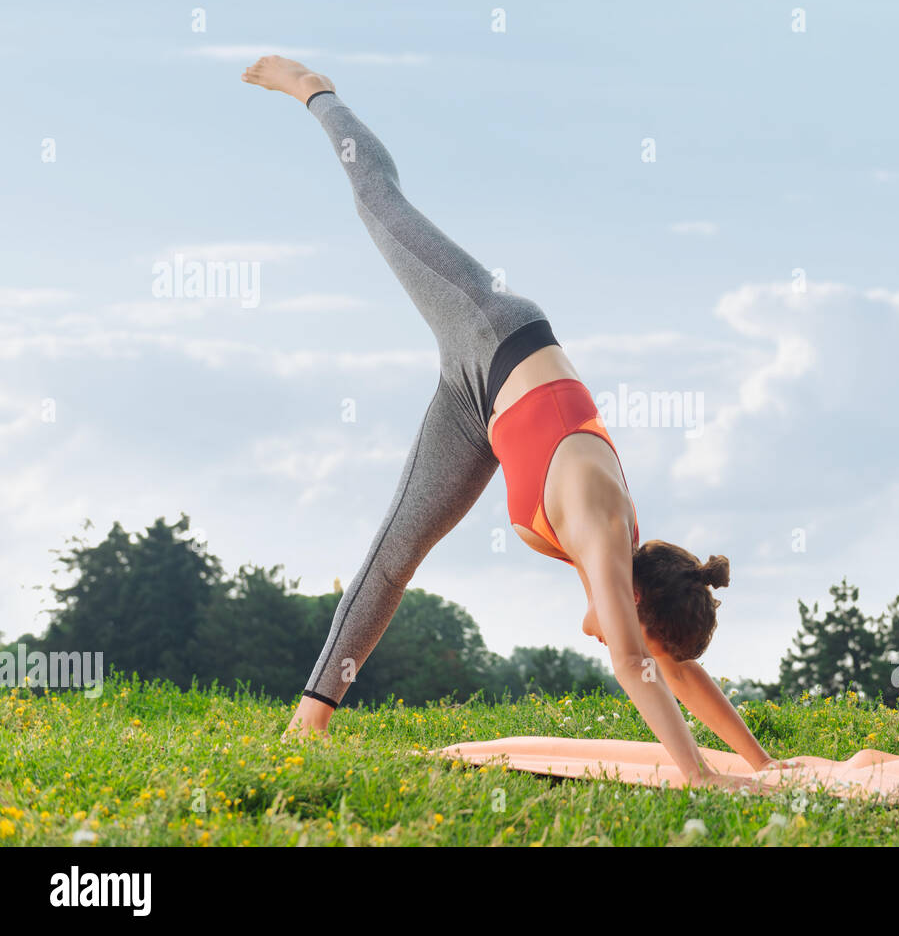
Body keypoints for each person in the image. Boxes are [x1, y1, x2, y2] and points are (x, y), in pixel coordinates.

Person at [242, 56, 791, 790]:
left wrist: (767, 767)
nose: (624, 642)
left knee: (399, 546)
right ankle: (316, 91)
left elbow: (672, 669)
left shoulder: (638, 572)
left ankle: (305, 724)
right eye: (639, 632)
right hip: (491, 330)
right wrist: (697, 775)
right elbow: (635, 662)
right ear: (633, 602)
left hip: (482, 413)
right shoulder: (601, 535)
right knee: (380, 201)